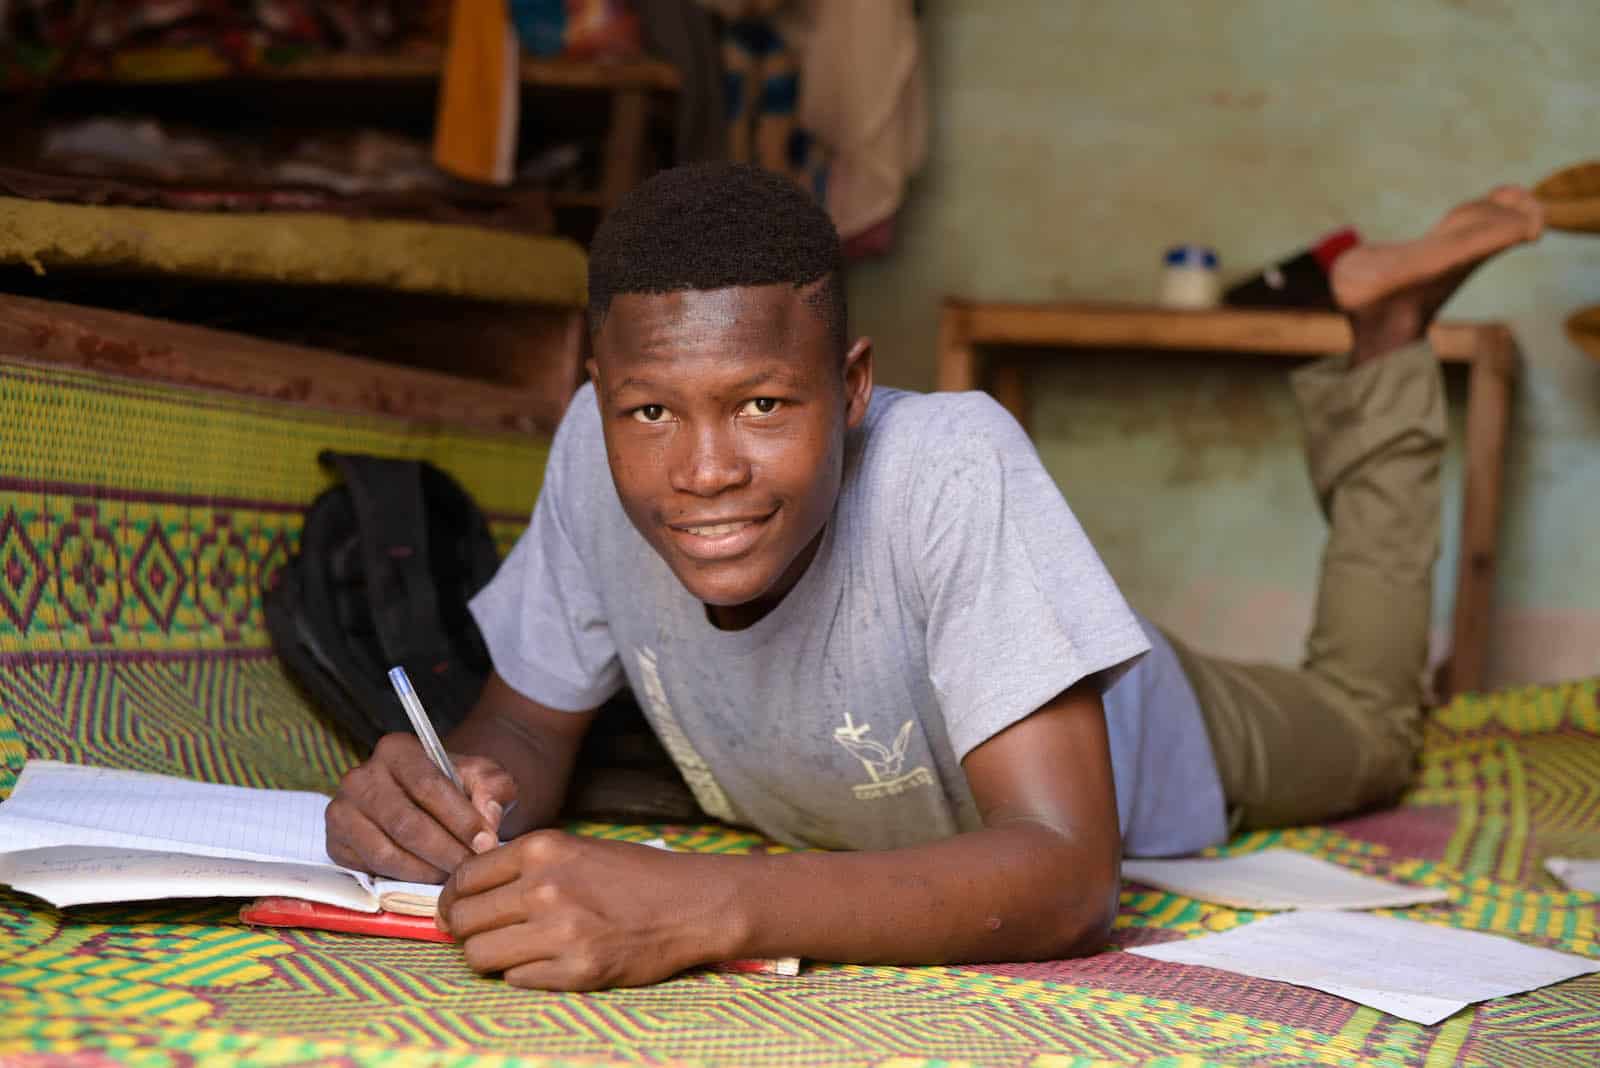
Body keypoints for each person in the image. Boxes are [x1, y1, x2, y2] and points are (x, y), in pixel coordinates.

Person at [323, 164, 1544, 990]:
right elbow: (527, 730)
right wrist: (449, 795)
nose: (704, 471)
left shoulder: (952, 461)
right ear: (596, 396)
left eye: (761, 403)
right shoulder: (592, 464)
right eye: (649, 409)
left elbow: (1068, 878)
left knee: (1373, 726)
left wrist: (706, 906)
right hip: (958, 685)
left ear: (852, 389)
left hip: (1152, 724)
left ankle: (1384, 339)